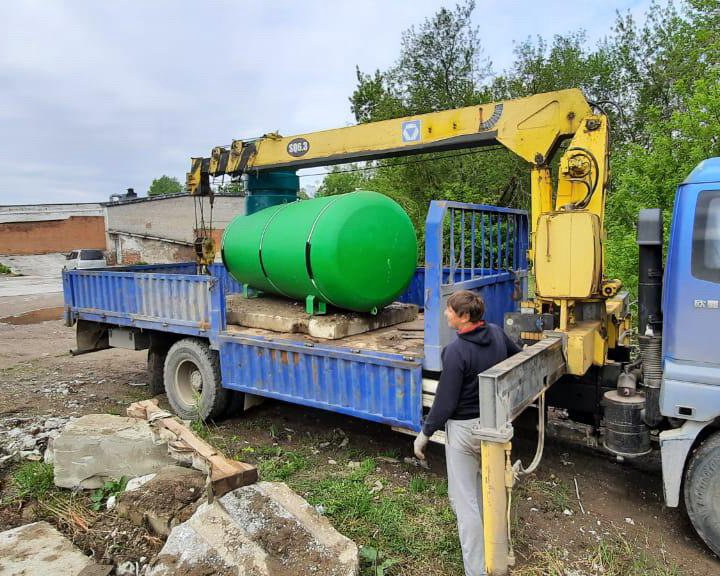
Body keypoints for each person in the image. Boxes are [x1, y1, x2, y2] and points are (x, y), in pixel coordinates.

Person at [413, 290, 520, 576]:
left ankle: (477, 570)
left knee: (465, 501)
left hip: (463, 431)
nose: (445, 314)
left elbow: (445, 402)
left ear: (464, 317)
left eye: (449, 310)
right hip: (493, 426)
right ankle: (497, 550)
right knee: (491, 490)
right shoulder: (497, 334)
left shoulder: (456, 352)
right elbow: (517, 360)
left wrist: (424, 434)